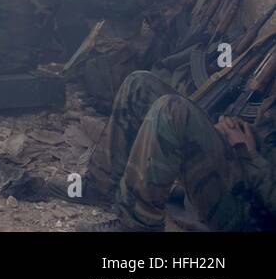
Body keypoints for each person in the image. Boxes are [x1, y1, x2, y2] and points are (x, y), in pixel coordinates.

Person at [80, 71, 276, 231]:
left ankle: (136, 227)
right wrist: (230, 129)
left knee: (172, 110)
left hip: (251, 213)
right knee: (139, 83)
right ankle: (99, 187)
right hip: (245, 171)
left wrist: (248, 153)